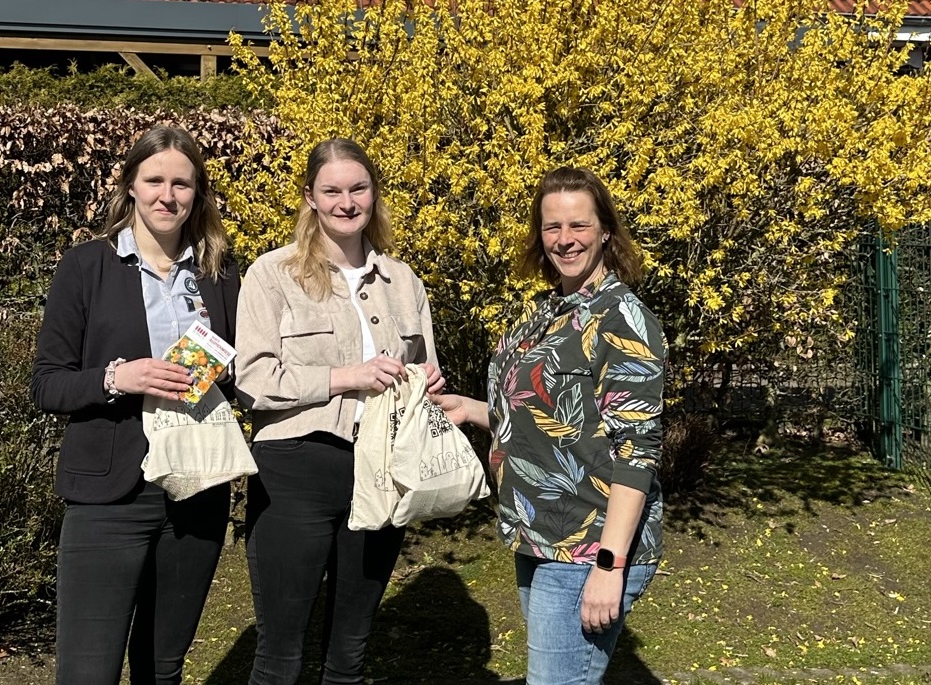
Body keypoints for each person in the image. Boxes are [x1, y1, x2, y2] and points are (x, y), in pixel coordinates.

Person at [433, 167, 666, 685]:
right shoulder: (546, 312)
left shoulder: (622, 319)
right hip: (538, 537)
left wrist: (610, 564)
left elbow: (637, 450)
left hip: (588, 546)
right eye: (552, 227)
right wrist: (472, 410)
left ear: (606, 230)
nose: (565, 240)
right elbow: (550, 417)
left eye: (578, 226)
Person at [31, 125, 240, 685]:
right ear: (129, 184)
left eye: (181, 183)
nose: (167, 195)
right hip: (108, 491)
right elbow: (48, 384)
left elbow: (244, 373)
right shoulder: (87, 265)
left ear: (198, 194)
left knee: (162, 670)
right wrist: (119, 376)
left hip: (198, 488)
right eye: (154, 180)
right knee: (87, 673)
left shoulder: (218, 272)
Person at [235, 137, 444, 685]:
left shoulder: (405, 282)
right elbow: (253, 380)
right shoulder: (271, 275)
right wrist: (345, 377)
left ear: (374, 195)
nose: (346, 202)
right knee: (279, 658)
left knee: (349, 656)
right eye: (331, 191)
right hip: (295, 471)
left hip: (380, 469)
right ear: (309, 196)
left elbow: (424, 374)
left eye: (358, 189)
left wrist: (428, 384)